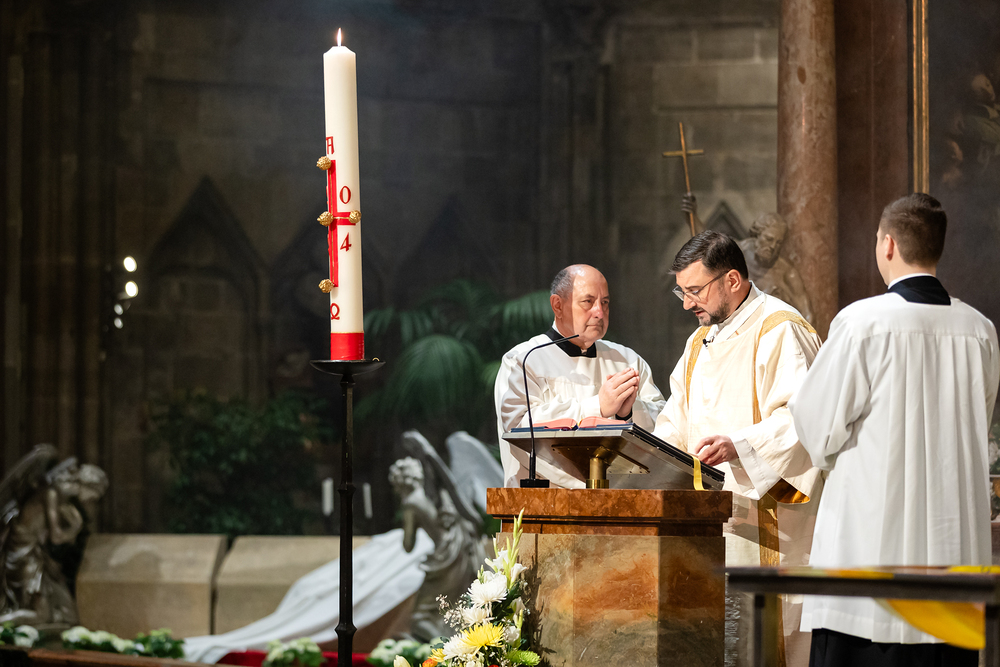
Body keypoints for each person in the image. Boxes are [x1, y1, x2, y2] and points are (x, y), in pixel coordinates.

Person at [789, 193, 1000, 667]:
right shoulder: (979, 330)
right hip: (951, 558)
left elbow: (816, 424)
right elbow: (977, 424)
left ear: (887, 244)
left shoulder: (862, 323)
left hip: (869, 549)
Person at [653, 230, 823, 667]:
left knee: (764, 647)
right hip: (708, 526)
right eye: (681, 292)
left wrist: (740, 445)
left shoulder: (780, 328)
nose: (687, 304)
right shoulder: (698, 343)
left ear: (732, 279)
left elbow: (805, 421)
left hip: (768, 524)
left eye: (694, 290)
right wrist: (645, 456)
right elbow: (674, 424)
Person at [494, 264, 665, 488]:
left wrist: (628, 413)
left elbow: (665, 426)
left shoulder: (627, 360)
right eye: (588, 302)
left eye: (605, 302)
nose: (599, 312)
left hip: (618, 500)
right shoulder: (524, 360)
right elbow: (519, 432)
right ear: (558, 305)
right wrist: (597, 407)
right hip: (544, 502)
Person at [682, 194, 814, 323]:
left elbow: (807, 314)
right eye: (769, 239)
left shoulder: (786, 273)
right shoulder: (738, 252)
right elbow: (707, 243)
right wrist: (692, 215)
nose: (773, 246)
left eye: (778, 243)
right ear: (757, 235)